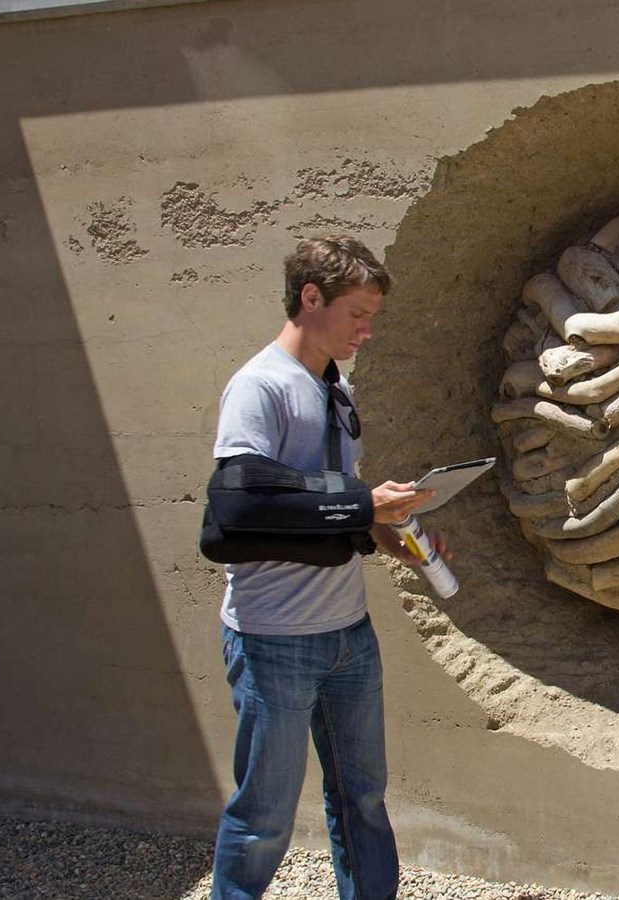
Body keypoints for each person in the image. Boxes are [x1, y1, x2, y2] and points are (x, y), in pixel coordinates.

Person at [209, 235, 442, 899]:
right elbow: (242, 501)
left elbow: (319, 506)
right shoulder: (260, 387)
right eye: (357, 315)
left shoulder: (332, 385)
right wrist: (363, 501)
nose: (367, 331)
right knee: (263, 820)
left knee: (362, 799)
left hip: (348, 635)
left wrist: (383, 530)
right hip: (273, 641)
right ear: (311, 298)